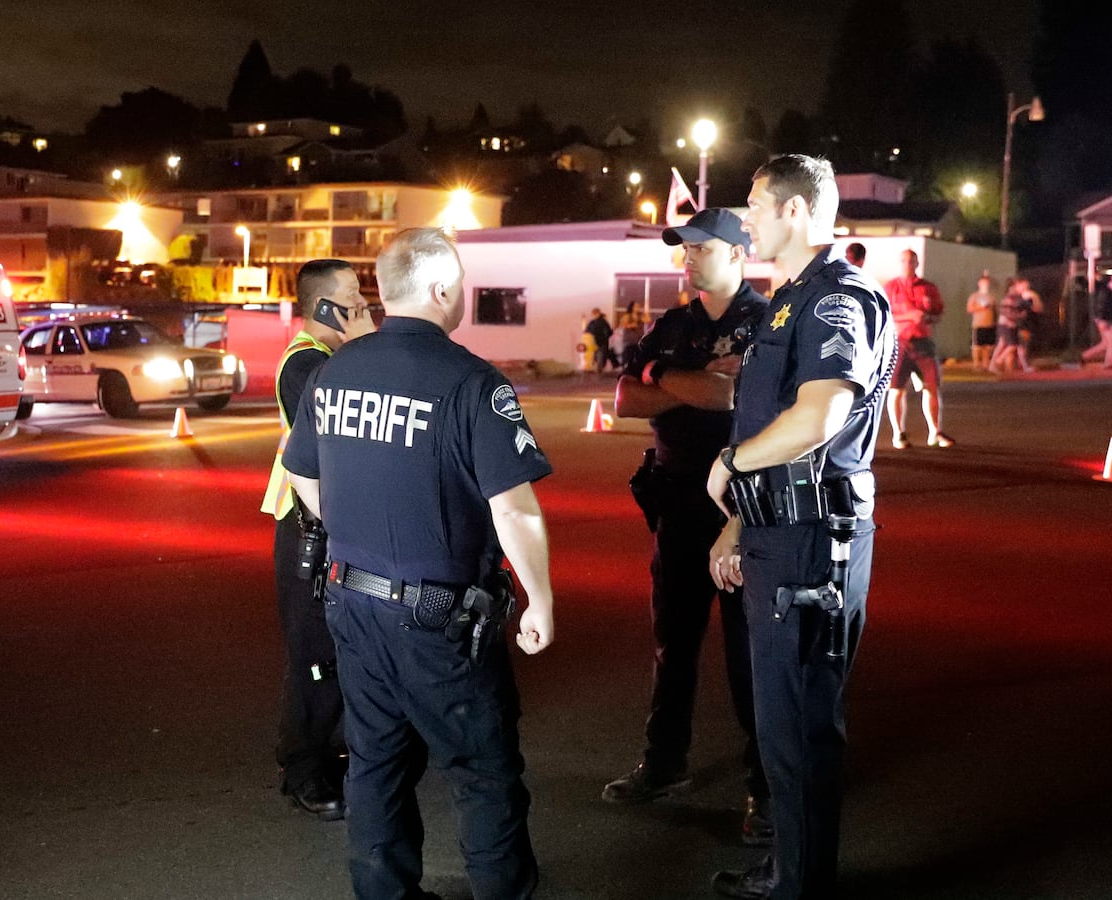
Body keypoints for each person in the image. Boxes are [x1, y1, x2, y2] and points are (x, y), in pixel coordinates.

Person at [283, 227, 556, 900]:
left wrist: (351, 531)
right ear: (441, 290)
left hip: (351, 601)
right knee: (481, 768)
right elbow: (515, 510)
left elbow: (303, 479)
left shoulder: (334, 370)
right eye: (459, 283)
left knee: (375, 762)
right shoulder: (471, 382)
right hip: (437, 616)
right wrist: (541, 600)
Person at [704, 155, 894, 899]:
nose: (744, 217)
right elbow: (773, 420)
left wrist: (730, 463)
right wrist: (736, 528)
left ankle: (800, 885)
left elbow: (819, 418)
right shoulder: (789, 301)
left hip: (814, 542)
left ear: (793, 211)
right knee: (780, 728)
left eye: (754, 203)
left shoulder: (836, 300)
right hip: (780, 532)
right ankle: (792, 868)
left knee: (802, 729)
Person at [604, 208, 772, 846]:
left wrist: (663, 381)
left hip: (743, 503)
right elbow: (625, 399)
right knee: (673, 639)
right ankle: (664, 763)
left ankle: (766, 782)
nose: (688, 257)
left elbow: (737, 400)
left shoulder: (765, 322)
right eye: (685, 248)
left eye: (702, 247)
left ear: (736, 254)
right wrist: (684, 382)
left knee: (748, 652)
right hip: (676, 501)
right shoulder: (673, 324)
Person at [259, 258, 376, 821]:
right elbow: (342, 424)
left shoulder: (331, 358)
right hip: (308, 530)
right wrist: (369, 345)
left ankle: (335, 754)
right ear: (327, 306)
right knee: (314, 657)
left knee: (340, 652)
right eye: (354, 295)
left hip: (334, 525)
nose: (365, 303)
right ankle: (303, 770)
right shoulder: (306, 364)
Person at [884, 249, 951, 449]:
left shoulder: (928, 287)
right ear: (899, 263)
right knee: (896, 390)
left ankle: (935, 432)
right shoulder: (890, 288)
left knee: (931, 387)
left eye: (912, 261)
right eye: (904, 260)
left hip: (923, 343)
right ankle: (899, 434)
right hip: (900, 343)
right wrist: (910, 316)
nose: (908, 264)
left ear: (917, 263)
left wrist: (926, 317)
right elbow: (883, 315)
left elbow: (938, 314)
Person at [990, 277, 1042, 373]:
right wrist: (1019, 314)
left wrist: (1033, 298)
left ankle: (995, 364)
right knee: (1012, 344)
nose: (1025, 288)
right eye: (1023, 286)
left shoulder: (1020, 297)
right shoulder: (1013, 297)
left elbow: (1036, 308)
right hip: (1009, 324)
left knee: (1012, 345)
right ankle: (998, 362)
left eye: (1027, 286)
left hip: (1014, 323)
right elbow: (1008, 311)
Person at [1082, 270, 1112, 369]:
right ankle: (1109, 363)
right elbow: (1100, 306)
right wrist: (1101, 320)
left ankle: (1084, 356)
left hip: (1108, 319)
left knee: (1105, 343)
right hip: (1105, 319)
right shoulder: (1106, 290)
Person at [966, 274, 998, 370]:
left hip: (989, 324)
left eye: (987, 283)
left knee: (987, 346)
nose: (985, 285)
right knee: (977, 345)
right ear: (979, 284)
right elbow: (969, 309)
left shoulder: (991, 297)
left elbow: (995, 309)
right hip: (978, 324)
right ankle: (976, 364)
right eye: (983, 283)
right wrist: (982, 308)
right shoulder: (974, 296)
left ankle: (985, 364)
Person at [585, 307, 615, 372]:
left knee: (599, 355)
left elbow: (587, 331)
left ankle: (598, 367)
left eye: (595, 314)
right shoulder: (600, 322)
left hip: (599, 342)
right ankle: (598, 367)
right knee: (599, 355)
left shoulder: (596, 322)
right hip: (598, 342)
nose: (594, 315)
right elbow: (609, 332)